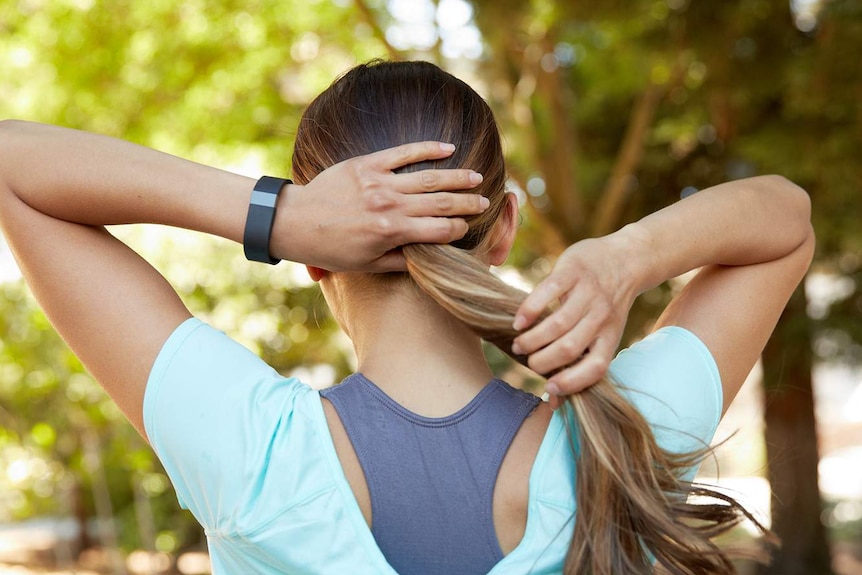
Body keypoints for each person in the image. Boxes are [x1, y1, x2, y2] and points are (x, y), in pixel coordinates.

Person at [0, 60, 813, 574]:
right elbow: (785, 222)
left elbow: (14, 166)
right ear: (505, 228)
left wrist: (274, 217)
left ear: (317, 256)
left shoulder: (252, 455)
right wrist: (625, 257)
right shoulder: (621, 437)